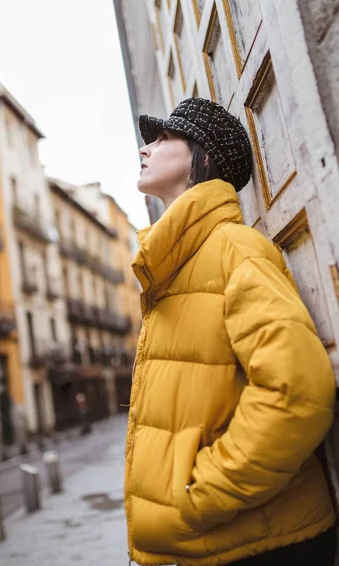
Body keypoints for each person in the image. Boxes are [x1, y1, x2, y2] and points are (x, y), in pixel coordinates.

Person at [124, 97, 337, 566]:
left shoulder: (233, 251)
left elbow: (297, 393)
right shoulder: (174, 266)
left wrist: (198, 494)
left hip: (258, 545)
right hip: (221, 546)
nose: (145, 149)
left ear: (203, 155)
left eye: (162, 138)